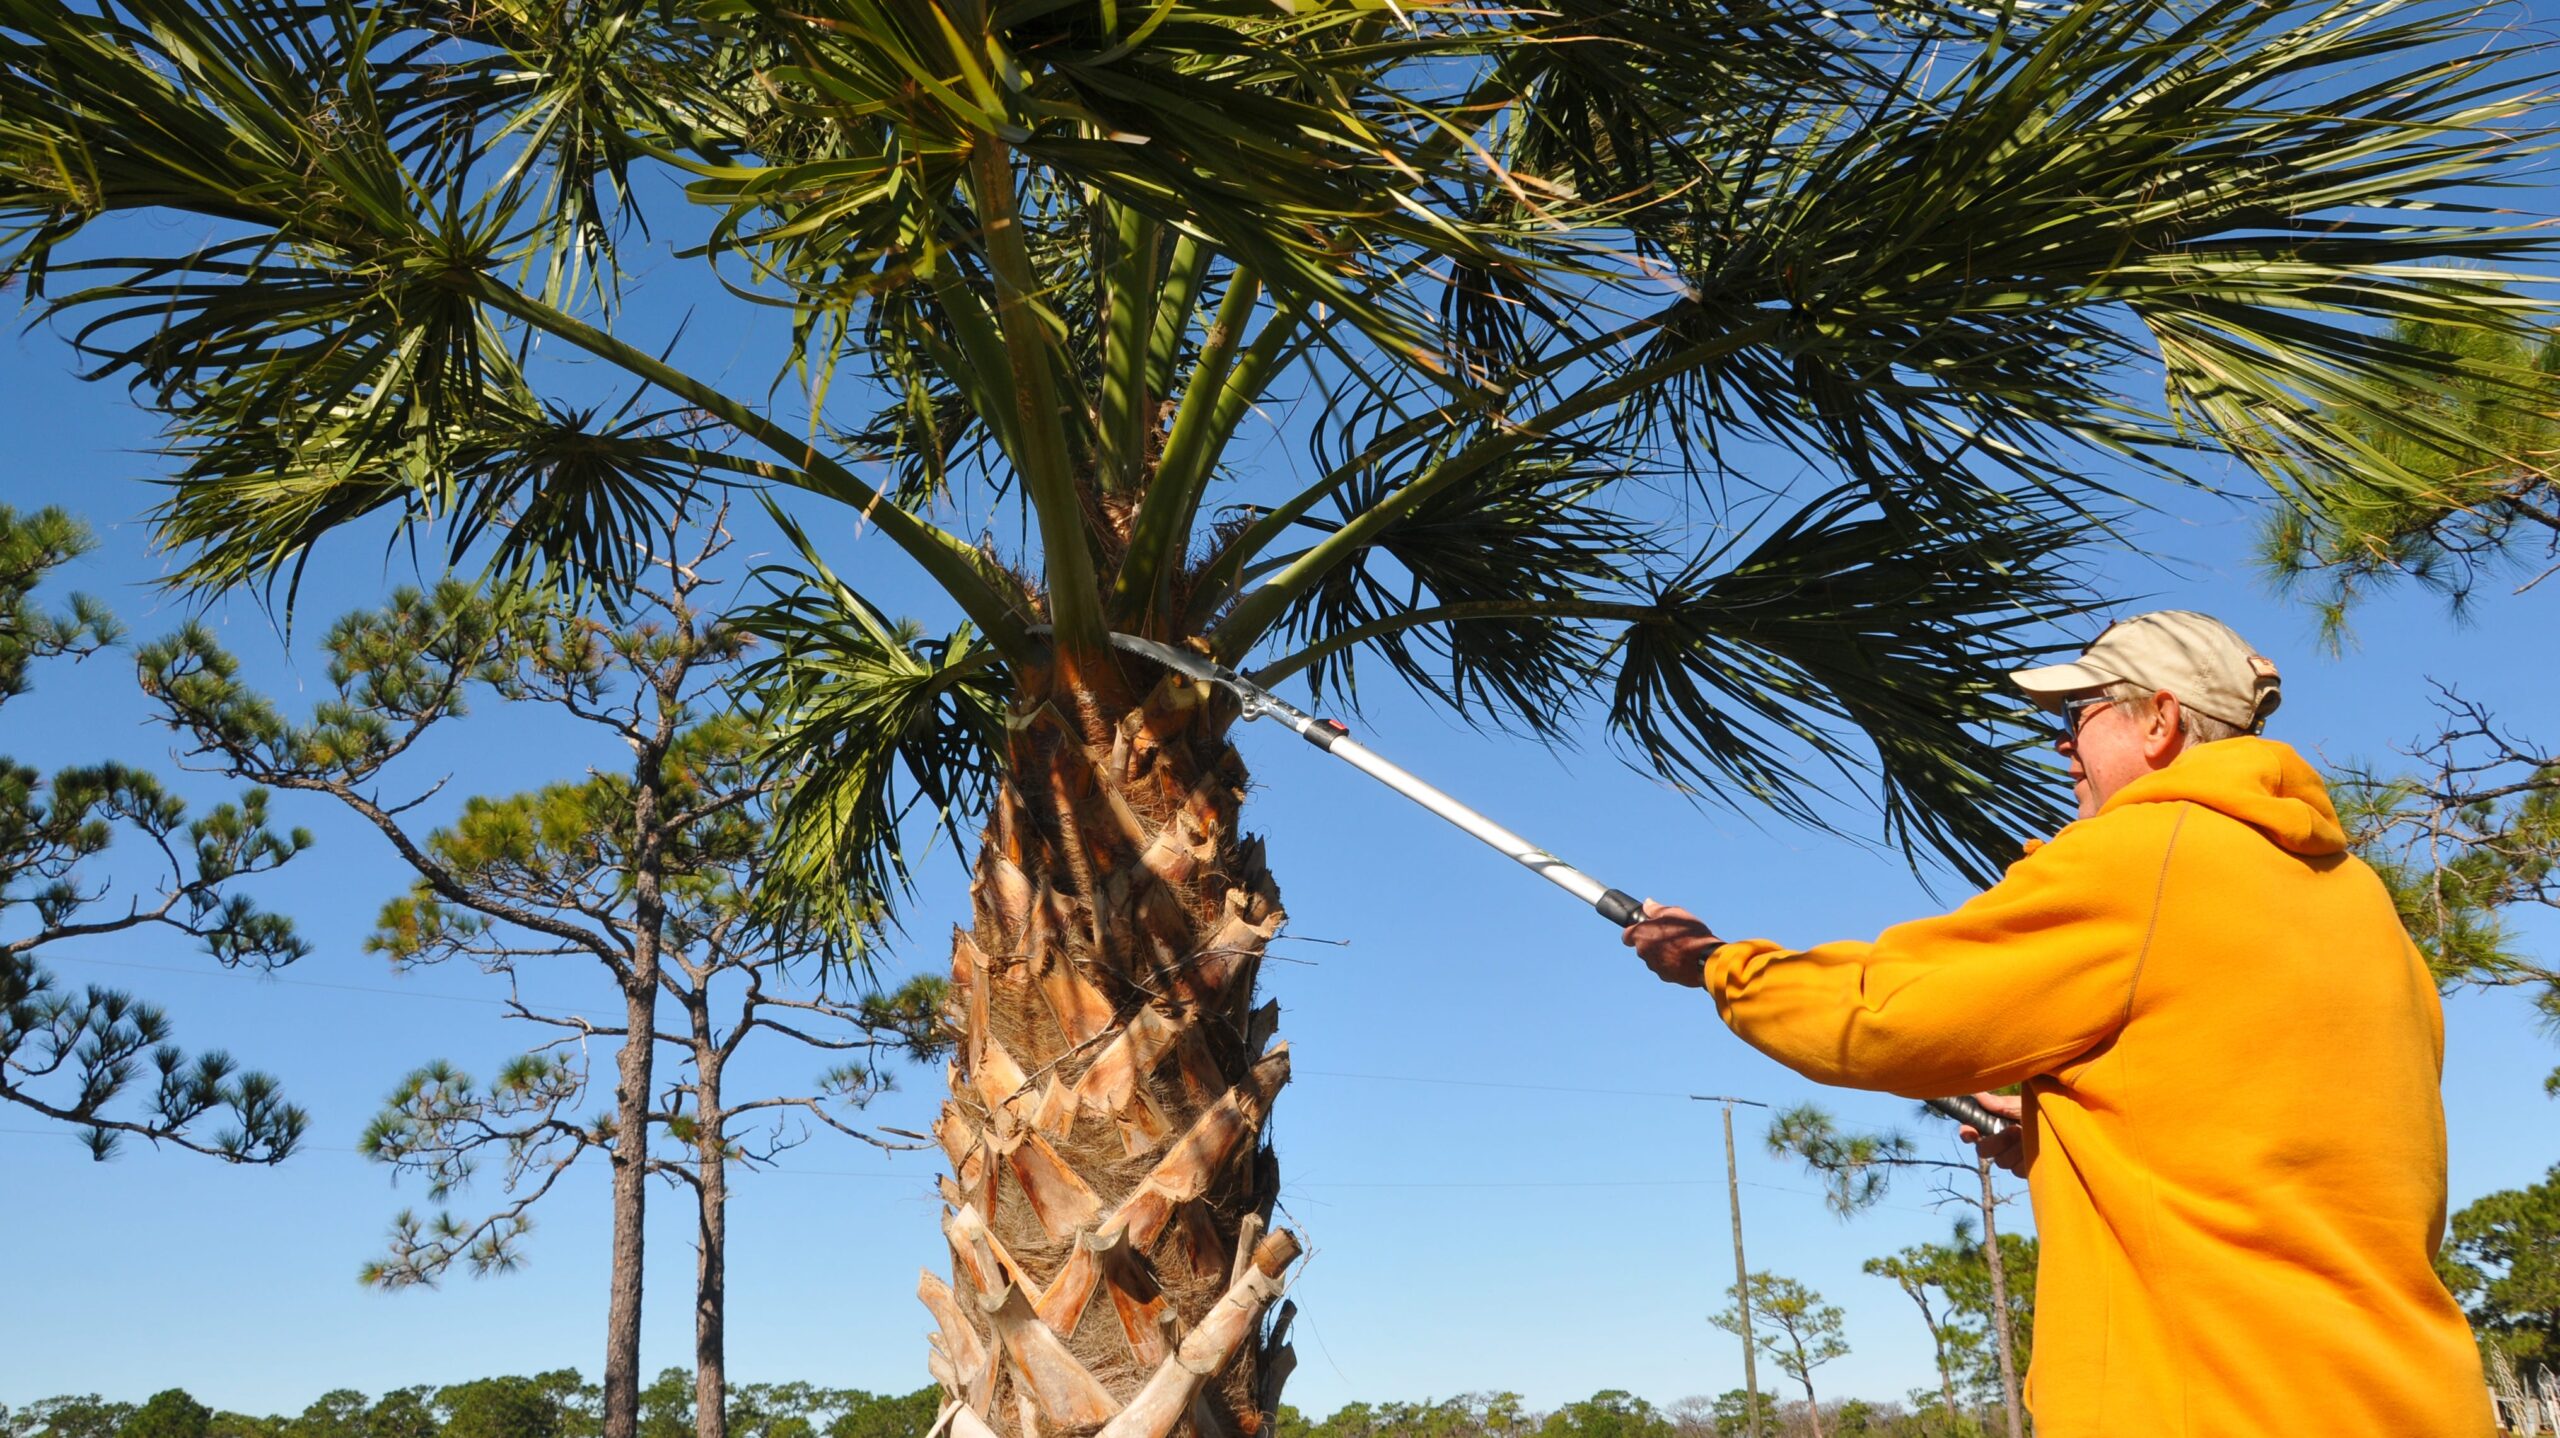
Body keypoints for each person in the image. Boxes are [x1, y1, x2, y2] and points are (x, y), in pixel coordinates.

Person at [1624, 610, 2491, 1436]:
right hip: (2414, 1399)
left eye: (2078, 714)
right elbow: (2279, 1140)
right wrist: (2065, 1128)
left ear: (2160, 721)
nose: (2061, 743)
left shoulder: (2144, 854)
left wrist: (1714, 962)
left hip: (2220, 1409)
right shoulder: (2361, 904)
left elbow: (1878, 1013)